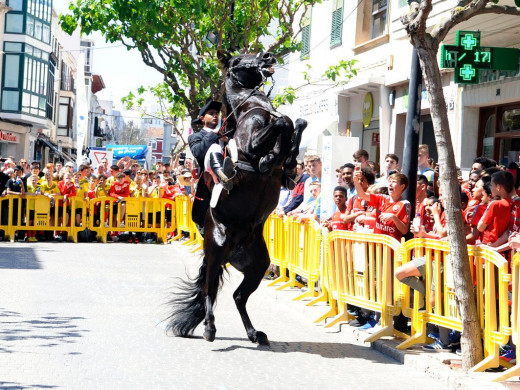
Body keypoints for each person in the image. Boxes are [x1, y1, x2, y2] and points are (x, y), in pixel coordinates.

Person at [188, 100, 235, 234]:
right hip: (208, 183)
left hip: (230, 181)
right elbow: (198, 153)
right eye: (211, 113)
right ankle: (221, 175)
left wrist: (228, 141)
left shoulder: (225, 136)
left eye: (217, 113)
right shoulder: (195, 136)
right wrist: (214, 134)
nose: (215, 116)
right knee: (214, 147)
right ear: (202, 118)